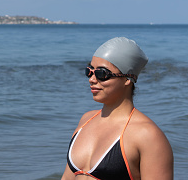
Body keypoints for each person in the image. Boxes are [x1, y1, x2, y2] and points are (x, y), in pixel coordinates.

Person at [61, 37, 173, 180]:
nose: (92, 79)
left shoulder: (147, 135)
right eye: (89, 71)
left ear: (128, 79)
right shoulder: (86, 120)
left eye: (102, 74)